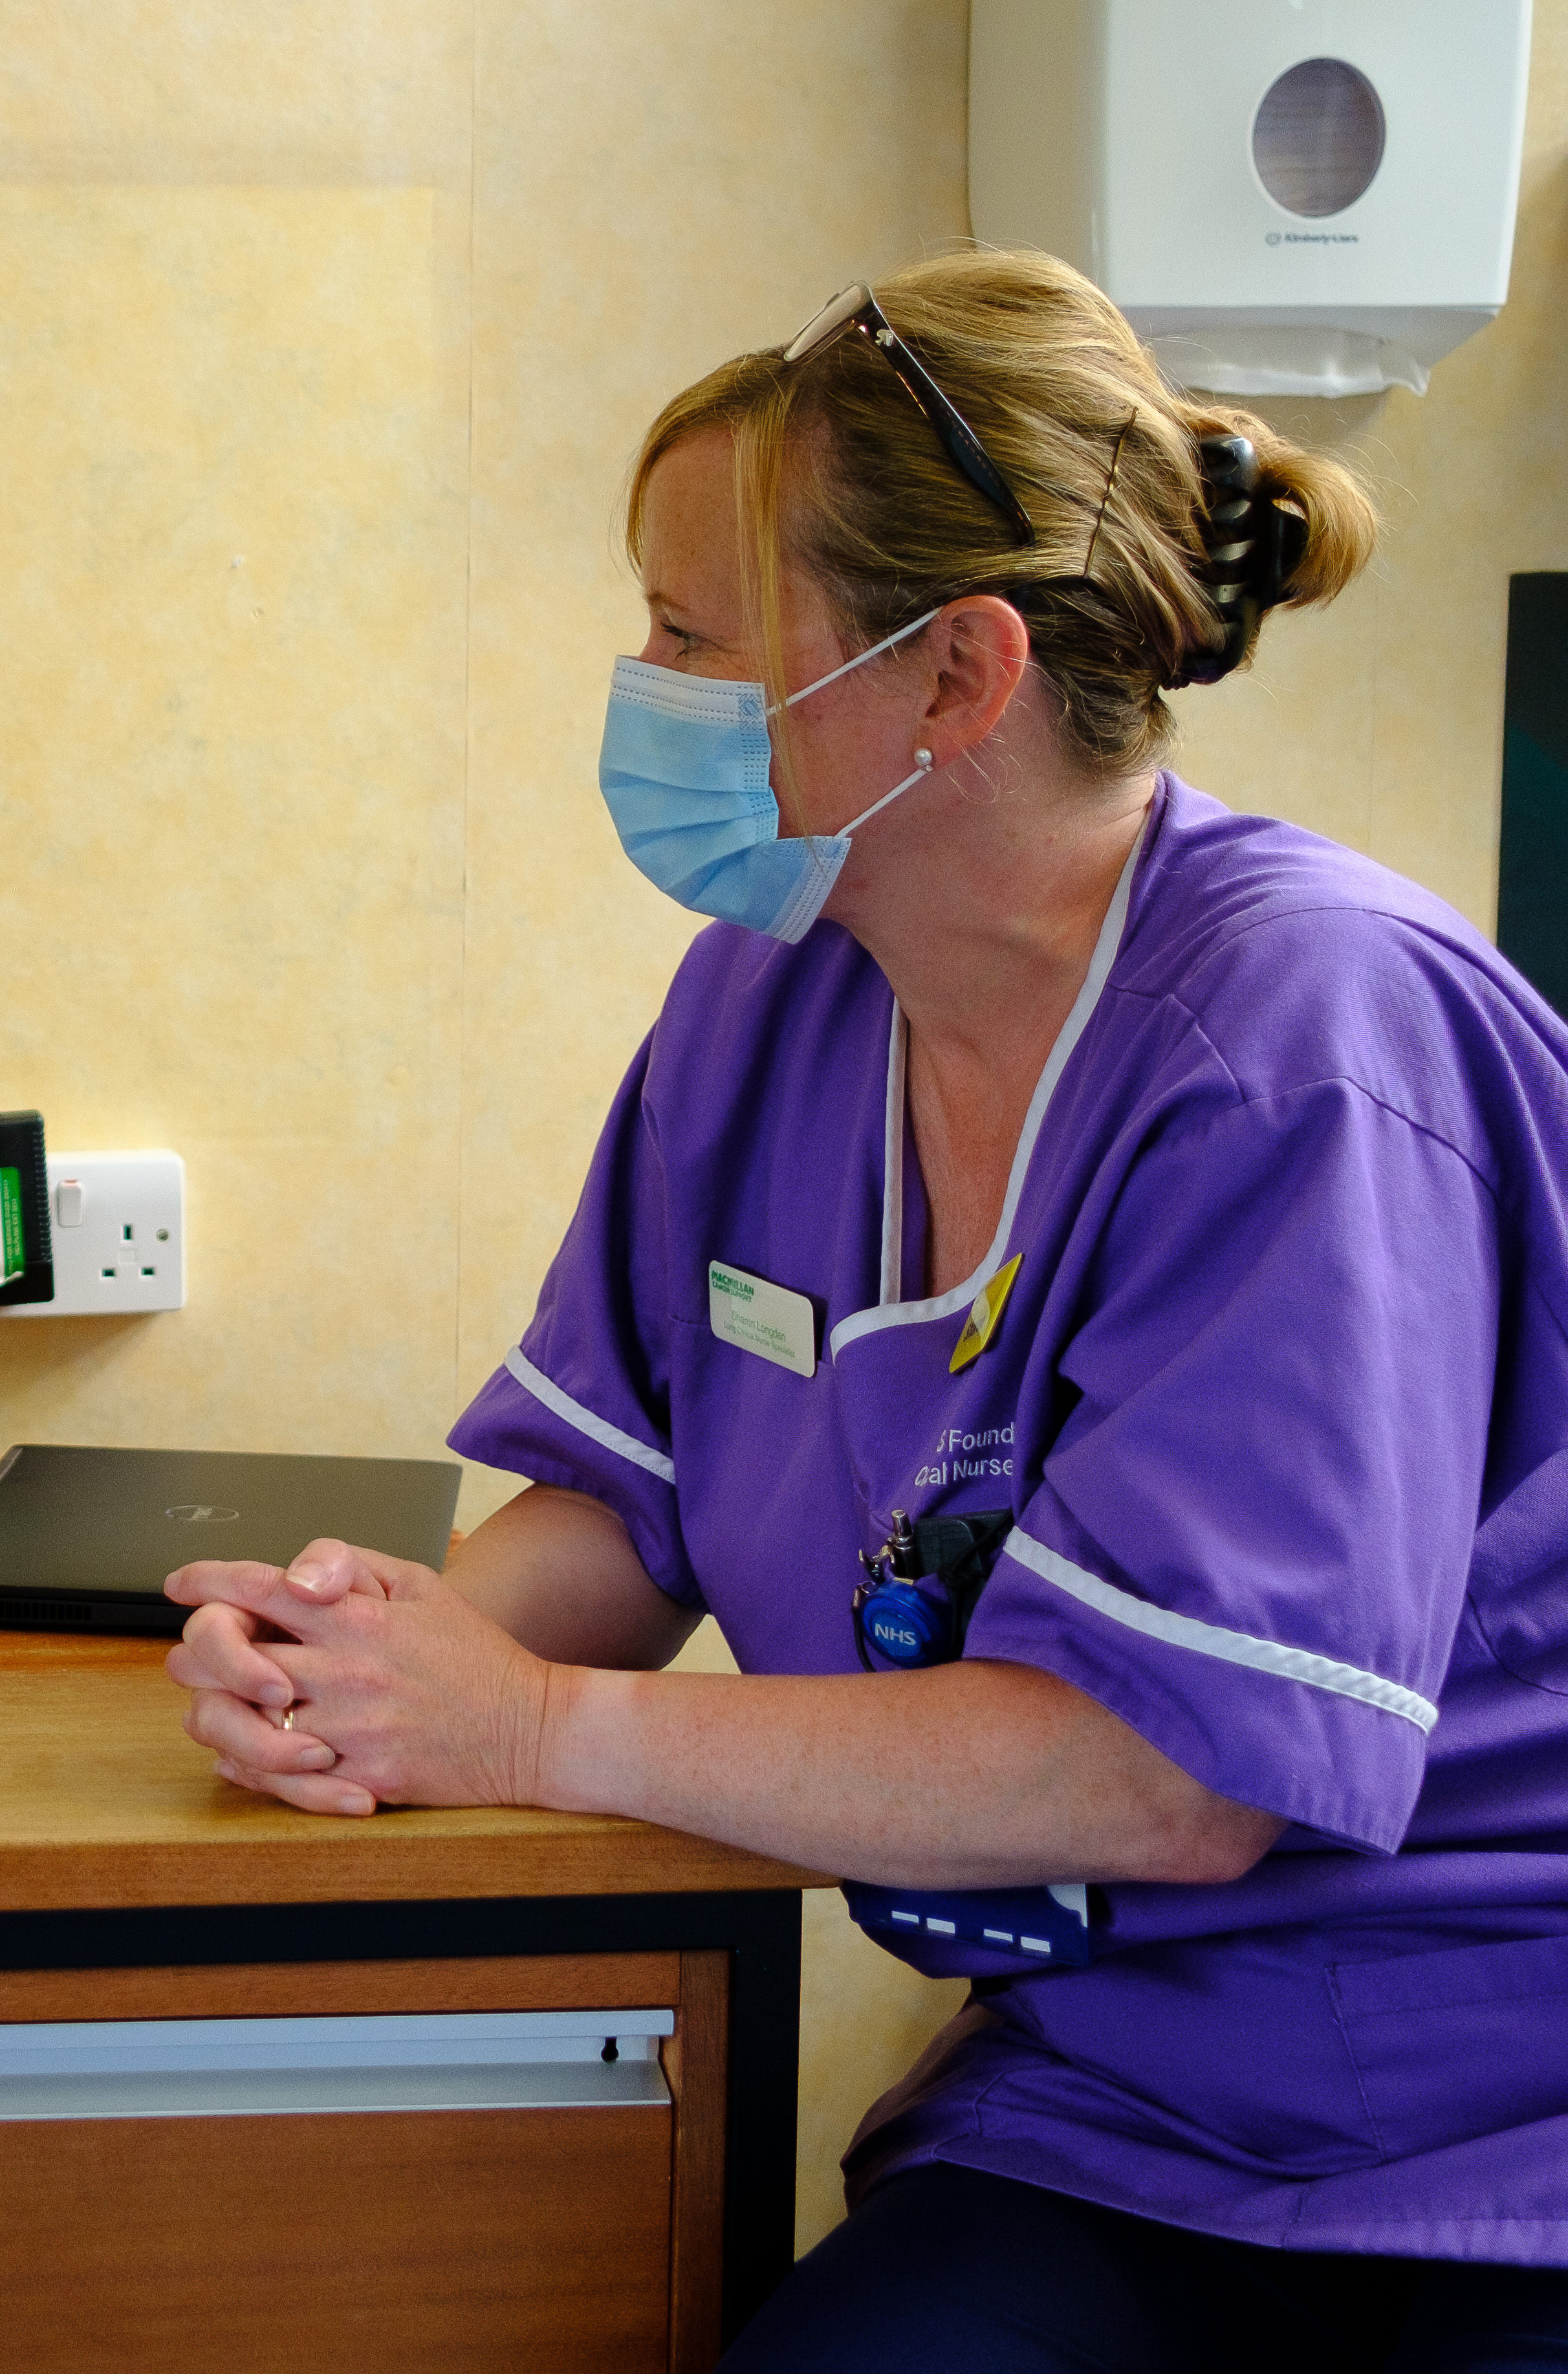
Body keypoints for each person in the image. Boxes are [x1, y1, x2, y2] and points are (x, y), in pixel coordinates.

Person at [164, 249, 1567, 2364]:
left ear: (957, 676)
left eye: (691, 637)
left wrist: (534, 1731)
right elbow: (622, 1514)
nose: (647, 694)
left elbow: (1167, 1778)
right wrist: (366, 1665)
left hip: (1481, 2127)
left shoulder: (1305, 1045)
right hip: (1110, 2103)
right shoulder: (778, 998)